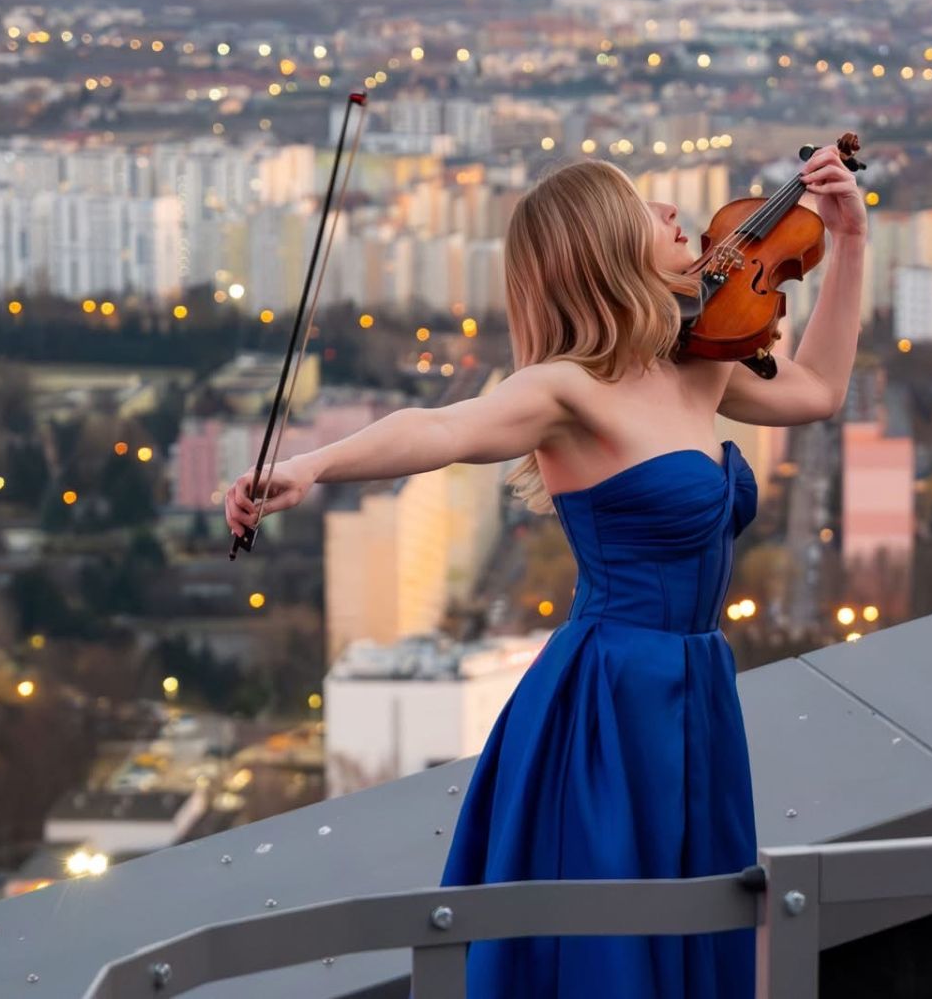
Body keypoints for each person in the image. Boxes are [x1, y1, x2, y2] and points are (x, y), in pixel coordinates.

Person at [224, 142, 866, 997]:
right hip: (608, 698)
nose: (676, 215)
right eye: (646, 208)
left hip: (699, 685)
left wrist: (850, 241)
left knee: (693, 919)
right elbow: (443, 428)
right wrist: (312, 466)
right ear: (601, 245)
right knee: (606, 940)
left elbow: (819, 390)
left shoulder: (701, 359)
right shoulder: (568, 389)